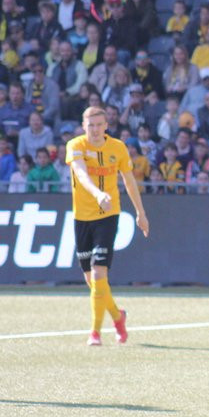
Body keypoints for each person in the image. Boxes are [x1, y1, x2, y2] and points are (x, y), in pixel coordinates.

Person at [66, 107, 150, 346]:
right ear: (84, 126)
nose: (94, 130)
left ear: (106, 126)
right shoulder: (75, 145)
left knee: (99, 273)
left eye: (99, 125)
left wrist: (140, 213)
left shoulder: (118, 148)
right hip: (82, 217)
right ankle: (117, 316)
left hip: (108, 215)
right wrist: (97, 193)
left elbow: (129, 180)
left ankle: (95, 332)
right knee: (93, 283)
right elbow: (81, 174)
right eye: (90, 125)